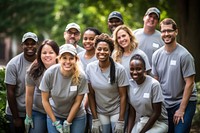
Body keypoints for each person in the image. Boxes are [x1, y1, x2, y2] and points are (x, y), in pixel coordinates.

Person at [152, 18, 197, 133]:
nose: (166, 34)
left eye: (169, 31)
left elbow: (190, 83)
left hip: (184, 102)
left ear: (176, 32)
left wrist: (181, 109)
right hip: (165, 103)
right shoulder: (156, 55)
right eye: (163, 31)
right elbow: (155, 81)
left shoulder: (184, 55)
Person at [39, 43, 88, 133]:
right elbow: (45, 100)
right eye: (64, 58)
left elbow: (78, 102)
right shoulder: (50, 73)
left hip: (77, 116)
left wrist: (68, 122)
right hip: (55, 114)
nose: (68, 62)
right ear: (59, 59)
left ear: (76, 59)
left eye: (71, 58)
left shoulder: (81, 76)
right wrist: (55, 122)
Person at [86, 33, 129, 133]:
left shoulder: (120, 70)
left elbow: (123, 96)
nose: (102, 52)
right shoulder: (90, 68)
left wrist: (121, 120)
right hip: (100, 111)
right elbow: (91, 94)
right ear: (95, 49)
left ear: (110, 51)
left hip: (116, 110)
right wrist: (95, 118)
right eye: (99, 49)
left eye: (106, 49)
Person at [4, 32, 38, 133]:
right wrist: (16, 118)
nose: (30, 46)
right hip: (16, 112)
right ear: (22, 45)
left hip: (36, 112)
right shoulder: (13, 64)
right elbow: (10, 92)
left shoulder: (42, 62)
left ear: (37, 45)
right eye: (27, 44)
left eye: (33, 43)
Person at [25, 39, 59, 133]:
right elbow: (29, 95)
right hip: (39, 111)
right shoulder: (33, 71)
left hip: (58, 113)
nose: (47, 55)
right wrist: (29, 116)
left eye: (51, 52)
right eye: (44, 53)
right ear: (39, 55)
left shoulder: (63, 68)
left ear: (57, 54)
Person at [127, 54, 168, 133]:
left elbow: (157, 113)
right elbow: (132, 113)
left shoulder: (154, 84)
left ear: (144, 70)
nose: (135, 72)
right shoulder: (129, 85)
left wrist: (142, 132)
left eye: (138, 69)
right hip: (142, 121)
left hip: (159, 122)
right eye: (132, 69)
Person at [77, 27, 101, 133]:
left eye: (91, 39)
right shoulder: (77, 57)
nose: (88, 41)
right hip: (77, 104)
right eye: (85, 38)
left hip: (94, 106)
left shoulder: (100, 57)